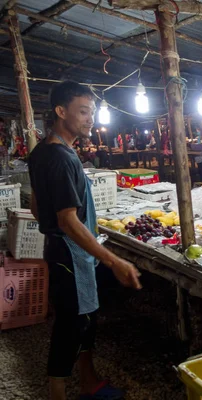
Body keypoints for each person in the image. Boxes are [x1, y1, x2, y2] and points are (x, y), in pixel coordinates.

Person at [28, 81, 141, 400]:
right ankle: (58, 394)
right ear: (61, 112)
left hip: (66, 250)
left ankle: (89, 381)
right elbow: (68, 220)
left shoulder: (41, 152)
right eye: (83, 111)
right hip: (70, 254)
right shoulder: (62, 158)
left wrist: (55, 230)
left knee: (86, 319)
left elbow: (37, 206)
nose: (90, 118)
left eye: (92, 111)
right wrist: (113, 259)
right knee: (71, 326)